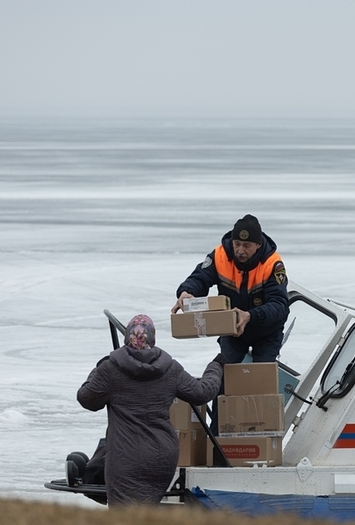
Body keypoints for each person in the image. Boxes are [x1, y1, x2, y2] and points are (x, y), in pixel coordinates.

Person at [77, 315, 223, 506]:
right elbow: (203, 393)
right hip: (161, 457)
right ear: (153, 337)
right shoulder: (170, 368)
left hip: (125, 457)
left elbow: (87, 399)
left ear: (127, 337)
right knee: (146, 510)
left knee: (124, 517)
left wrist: (98, 369)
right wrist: (216, 366)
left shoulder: (109, 369)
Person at [172, 214, 289, 363]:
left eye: (247, 246)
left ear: (258, 245)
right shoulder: (220, 256)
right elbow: (200, 278)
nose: (240, 250)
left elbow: (279, 305)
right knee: (226, 369)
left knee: (262, 373)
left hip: (266, 331)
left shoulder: (272, 264)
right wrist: (187, 291)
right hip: (232, 327)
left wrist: (250, 315)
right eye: (237, 244)